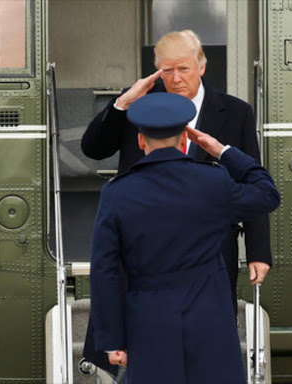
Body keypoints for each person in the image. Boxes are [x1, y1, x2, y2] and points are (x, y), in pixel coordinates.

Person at [89, 92, 280, 383]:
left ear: (141, 141)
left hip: (148, 322)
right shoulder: (214, 181)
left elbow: (105, 270)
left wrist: (111, 338)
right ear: (185, 141)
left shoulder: (117, 193)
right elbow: (267, 194)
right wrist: (223, 151)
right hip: (211, 319)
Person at [81, 30, 272, 316]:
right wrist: (123, 104)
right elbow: (93, 149)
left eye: (184, 69)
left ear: (202, 67)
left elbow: (250, 177)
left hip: (212, 252)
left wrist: (258, 252)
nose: (176, 78)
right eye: (167, 71)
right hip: (147, 253)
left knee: (212, 334)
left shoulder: (235, 112)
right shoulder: (139, 106)